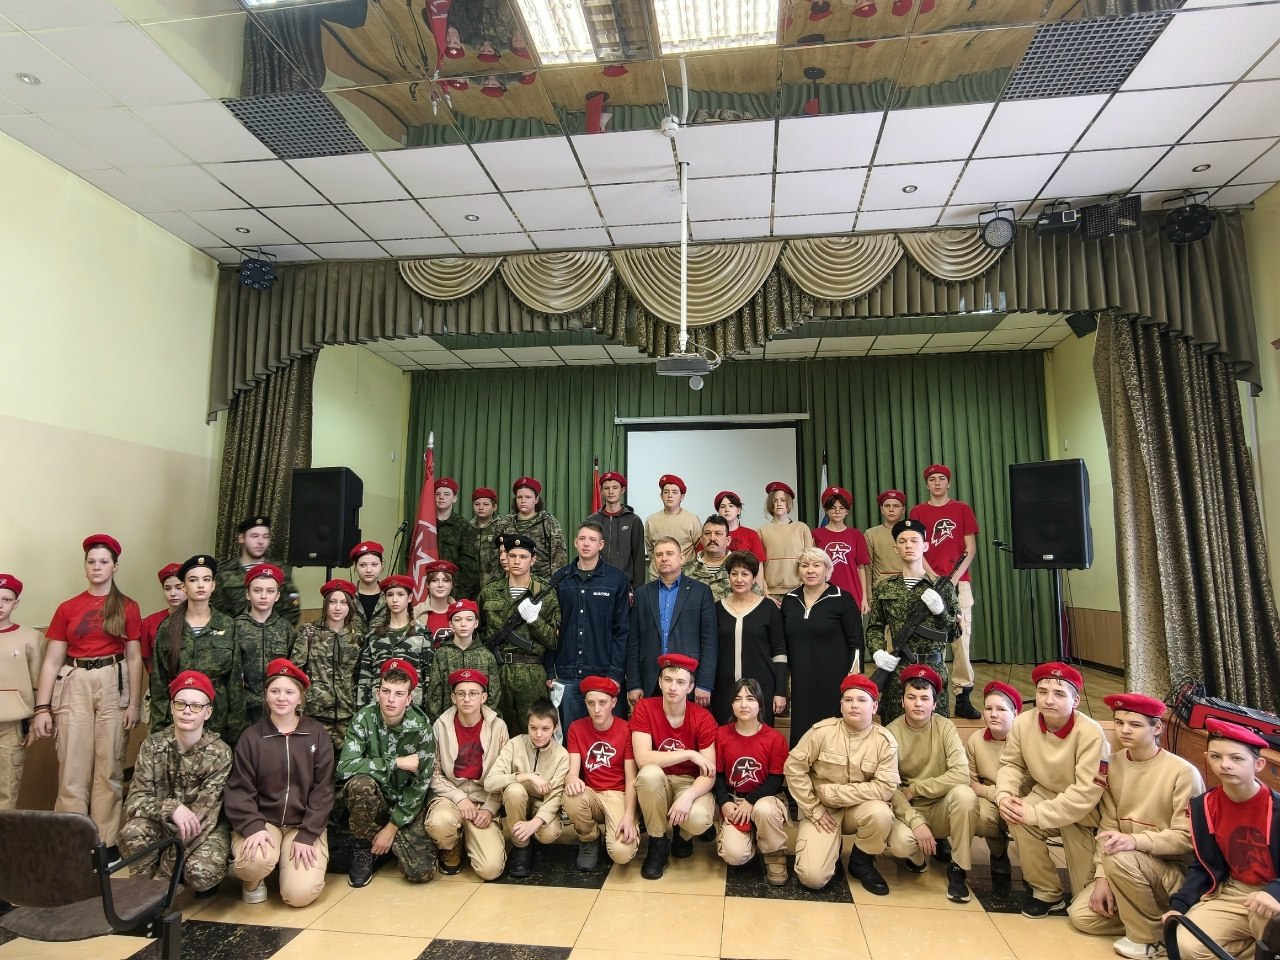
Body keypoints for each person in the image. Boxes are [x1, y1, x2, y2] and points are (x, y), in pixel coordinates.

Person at [1068, 693, 1204, 959]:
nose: (1125, 730)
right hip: (1124, 865)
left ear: (1157, 727)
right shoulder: (1111, 764)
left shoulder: (1182, 772)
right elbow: (1108, 825)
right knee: (1082, 916)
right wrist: (1102, 877)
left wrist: (1135, 842)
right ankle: (1163, 921)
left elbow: (1187, 838)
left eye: (1135, 724)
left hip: (1170, 870)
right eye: (1119, 723)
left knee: (1120, 857)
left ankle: (1151, 939)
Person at [30, 534, 143, 848]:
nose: (97, 567)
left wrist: (134, 704)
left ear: (115, 566)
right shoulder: (68, 607)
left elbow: (134, 657)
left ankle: (105, 844)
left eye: (104, 561)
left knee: (109, 767)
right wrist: (42, 708)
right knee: (72, 766)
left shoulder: (127, 606)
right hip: (75, 680)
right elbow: (52, 661)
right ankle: (71, 841)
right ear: (85, 567)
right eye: (91, 561)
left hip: (113, 680)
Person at [784, 673, 919, 893]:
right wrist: (813, 808)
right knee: (813, 878)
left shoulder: (884, 741)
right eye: (848, 700)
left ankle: (861, 861)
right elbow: (793, 767)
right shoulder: (822, 732)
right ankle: (831, 849)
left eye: (861, 700)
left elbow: (885, 788)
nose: (854, 705)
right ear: (841, 705)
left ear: (874, 707)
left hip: (860, 809)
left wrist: (835, 793)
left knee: (880, 812)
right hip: (822, 811)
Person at [995, 661, 1109, 918]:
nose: (1048, 700)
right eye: (1042, 692)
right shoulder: (1023, 723)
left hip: (1083, 811)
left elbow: (1086, 793)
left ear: (1075, 701)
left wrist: (1036, 813)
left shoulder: (1091, 733)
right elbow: (1011, 764)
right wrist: (1004, 796)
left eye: (1059, 694)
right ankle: (1046, 891)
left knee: (1085, 903)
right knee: (1017, 817)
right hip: (1046, 792)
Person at [1164, 718, 1280, 960]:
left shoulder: (1276, 807)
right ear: (1207, 758)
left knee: (1268, 927)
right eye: (1216, 757)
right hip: (1236, 890)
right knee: (1185, 943)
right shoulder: (1204, 806)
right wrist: (1180, 906)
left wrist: (1274, 892)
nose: (1225, 765)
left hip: (1274, 892)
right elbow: (1202, 865)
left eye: (1236, 758)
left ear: (1258, 764)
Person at [225, 659, 334, 906]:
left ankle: (289, 868)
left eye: (289, 692)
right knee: (255, 861)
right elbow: (239, 790)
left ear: (300, 698)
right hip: (264, 822)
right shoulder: (251, 738)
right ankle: (252, 880)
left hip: (302, 824)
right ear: (266, 695)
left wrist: (308, 834)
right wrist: (252, 826)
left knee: (299, 895)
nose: (281, 698)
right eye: (275, 691)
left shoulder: (317, 734)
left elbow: (324, 790)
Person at [119, 669, 232, 897]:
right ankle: (141, 889)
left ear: (208, 712)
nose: (187, 711)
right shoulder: (152, 745)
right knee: (133, 832)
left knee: (201, 872)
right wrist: (171, 808)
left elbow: (199, 822)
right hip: (162, 822)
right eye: (180, 704)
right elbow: (134, 803)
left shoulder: (220, 754)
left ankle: (161, 888)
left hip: (203, 830)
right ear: (171, 708)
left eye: (196, 706)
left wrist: (163, 881)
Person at [338, 658, 437, 888]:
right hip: (376, 800)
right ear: (377, 693)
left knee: (421, 873)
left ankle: (387, 841)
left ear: (409, 699)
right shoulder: (364, 718)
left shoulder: (421, 728)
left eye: (399, 694)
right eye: (386, 691)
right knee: (360, 785)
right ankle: (365, 847)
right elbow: (344, 767)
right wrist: (395, 762)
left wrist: (392, 828)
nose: (391, 699)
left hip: (405, 804)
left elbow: (420, 785)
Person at [886, 664, 980, 904]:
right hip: (910, 809)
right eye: (911, 698)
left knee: (965, 796)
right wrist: (915, 821)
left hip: (940, 804)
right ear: (902, 701)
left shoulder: (945, 727)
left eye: (925, 698)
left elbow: (961, 774)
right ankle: (917, 856)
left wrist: (916, 788)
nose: (918, 704)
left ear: (935, 704)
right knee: (902, 844)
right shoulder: (890, 734)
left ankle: (958, 868)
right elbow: (889, 788)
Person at [631, 653, 718, 880]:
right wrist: (689, 753)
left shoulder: (703, 717)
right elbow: (643, 759)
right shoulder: (644, 708)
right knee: (648, 774)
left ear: (690, 687)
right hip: (658, 781)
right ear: (659, 682)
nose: (672, 687)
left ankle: (684, 834)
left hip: (689, 783)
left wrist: (688, 796)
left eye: (680, 682)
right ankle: (658, 843)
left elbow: (709, 773)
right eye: (668, 680)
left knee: (699, 819)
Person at [865, 518, 959, 726]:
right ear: (895, 548)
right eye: (902, 541)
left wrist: (941, 611)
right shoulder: (885, 587)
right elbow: (874, 627)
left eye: (914, 540)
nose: (908, 545)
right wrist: (877, 652)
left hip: (933, 670)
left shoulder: (943, 587)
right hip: (897, 669)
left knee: (936, 730)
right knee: (893, 728)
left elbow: (955, 633)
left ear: (925, 546)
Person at [151, 555, 246, 744]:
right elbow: (158, 681)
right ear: (184, 587)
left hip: (217, 711)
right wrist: (160, 725)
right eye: (193, 580)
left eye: (206, 579)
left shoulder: (227, 624)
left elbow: (235, 678)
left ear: (213, 585)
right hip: (181, 710)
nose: (201, 585)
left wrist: (235, 724)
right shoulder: (168, 627)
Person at [910, 464, 980, 719]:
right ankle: (931, 695)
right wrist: (933, 577)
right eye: (932, 479)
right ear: (927, 484)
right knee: (930, 639)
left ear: (948, 483)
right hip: (929, 582)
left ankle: (963, 695)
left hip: (959, 583)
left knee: (961, 640)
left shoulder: (962, 509)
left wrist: (953, 578)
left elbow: (970, 548)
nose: (937, 483)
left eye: (941, 479)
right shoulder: (918, 511)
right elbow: (917, 546)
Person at [426, 668, 510, 880]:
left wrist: (490, 808)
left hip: (483, 798)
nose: (467, 699)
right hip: (450, 797)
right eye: (461, 693)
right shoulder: (440, 725)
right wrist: (459, 798)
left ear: (484, 697)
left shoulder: (498, 727)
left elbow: (504, 774)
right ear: (453, 698)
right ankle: (451, 844)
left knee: (490, 869)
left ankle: (472, 834)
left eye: (473, 693)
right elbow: (433, 772)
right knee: (440, 822)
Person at [551, 521, 630, 732]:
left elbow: (622, 630)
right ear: (575, 542)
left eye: (592, 540)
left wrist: (615, 673)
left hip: (603, 673)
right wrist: (550, 671)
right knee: (570, 736)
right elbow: (550, 629)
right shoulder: (560, 579)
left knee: (606, 737)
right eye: (582, 539)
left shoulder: (617, 580)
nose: (586, 544)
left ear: (601, 545)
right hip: (566, 674)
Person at [478, 534, 561, 731]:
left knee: (534, 730)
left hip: (531, 672)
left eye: (523, 557)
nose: (517, 561)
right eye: (512, 555)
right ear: (505, 557)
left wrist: (534, 620)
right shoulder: (490, 592)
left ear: (533, 560)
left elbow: (554, 641)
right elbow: (479, 632)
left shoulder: (546, 593)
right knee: (495, 729)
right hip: (497, 671)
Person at [782, 546, 861, 747]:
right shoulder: (790, 600)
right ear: (798, 570)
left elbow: (856, 642)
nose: (810, 570)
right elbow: (783, 644)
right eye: (804, 565)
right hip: (801, 680)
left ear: (827, 569)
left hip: (834, 681)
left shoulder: (842, 598)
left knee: (832, 734)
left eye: (816, 565)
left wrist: (853, 676)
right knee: (803, 734)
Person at [715, 678, 790, 885]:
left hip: (766, 799)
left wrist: (751, 801)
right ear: (732, 704)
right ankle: (751, 838)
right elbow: (718, 775)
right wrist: (724, 802)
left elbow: (776, 779)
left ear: (760, 704)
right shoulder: (721, 734)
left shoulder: (775, 738)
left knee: (763, 810)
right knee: (735, 856)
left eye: (750, 698)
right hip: (735, 801)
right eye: (737, 699)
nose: (744, 704)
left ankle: (774, 854)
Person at [626, 537, 717, 708]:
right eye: (659, 555)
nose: (664, 558)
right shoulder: (642, 594)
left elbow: (709, 642)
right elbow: (633, 643)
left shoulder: (701, 592)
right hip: (651, 680)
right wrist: (633, 684)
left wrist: (704, 683)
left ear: (681, 558)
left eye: (669, 553)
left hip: (688, 680)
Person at [484, 699, 569, 877]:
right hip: (516, 802)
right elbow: (490, 782)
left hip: (541, 806)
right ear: (527, 725)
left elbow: (556, 796)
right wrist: (526, 776)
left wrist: (534, 823)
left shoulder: (562, 755)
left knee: (548, 833)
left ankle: (533, 838)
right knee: (514, 790)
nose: (538, 734)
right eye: (533, 728)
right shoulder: (515, 744)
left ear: (555, 728)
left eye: (545, 729)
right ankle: (521, 846)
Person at [563, 676, 639, 872]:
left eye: (602, 703)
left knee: (621, 854)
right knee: (571, 796)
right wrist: (572, 779)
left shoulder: (627, 729)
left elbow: (632, 779)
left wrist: (629, 816)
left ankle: (618, 831)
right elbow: (572, 771)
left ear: (613, 702)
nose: (596, 709)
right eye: (591, 703)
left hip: (619, 795)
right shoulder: (576, 728)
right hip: (592, 794)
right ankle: (589, 839)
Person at [712, 552, 786, 727]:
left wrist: (780, 691)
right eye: (734, 574)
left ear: (754, 578)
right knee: (725, 737)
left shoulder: (768, 608)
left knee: (759, 737)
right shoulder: (717, 609)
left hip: (761, 689)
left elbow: (780, 652)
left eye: (745, 574)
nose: (739, 579)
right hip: (724, 690)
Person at [291, 579, 361, 752]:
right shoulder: (309, 632)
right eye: (332, 602)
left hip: (347, 713)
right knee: (314, 760)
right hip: (316, 713)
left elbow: (360, 675)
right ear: (325, 604)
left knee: (346, 762)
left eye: (343, 602)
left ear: (350, 606)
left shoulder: (357, 637)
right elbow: (295, 672)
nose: (338, 608)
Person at [965, 679, 1021, 883]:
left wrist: (1009, 799)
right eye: (988, 709)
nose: (993, 714)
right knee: (981, 817)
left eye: (1001, 709)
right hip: (989, 796)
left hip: (1020, 798)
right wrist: (995, 795)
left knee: (1020, 817)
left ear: (1015, 713)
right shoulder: (976, 740)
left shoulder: (1025, 740)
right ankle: (998, 853)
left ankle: (1033, 866)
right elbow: (971, 782)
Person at [356, 574, 431, 710]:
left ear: (409, 598)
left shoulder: (422, 633)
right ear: (385, 598)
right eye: (390, 595)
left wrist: (426, 709)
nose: (395, 599)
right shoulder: (374, 635)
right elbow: (365, 676)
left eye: (400, 594)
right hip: (378, 705)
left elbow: (428, 675)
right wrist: (362, 708)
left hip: (412, 705)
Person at [212, 515, 300, 625]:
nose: (261, 541)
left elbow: (292, 609)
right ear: (241, 538)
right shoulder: (224, 571)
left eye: (265, 537)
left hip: (274, 632)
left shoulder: (281, 569)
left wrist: (278, 632)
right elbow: (216, 610)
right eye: (254, 536)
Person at [235, 563, 295, 724]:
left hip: (278, 705)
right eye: (257, 590)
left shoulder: (285, 628)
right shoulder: (236, 626)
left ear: (277, 595)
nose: (263, 596)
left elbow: (292, 668)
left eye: (270, 591)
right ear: (248, 594)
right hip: (244, 708)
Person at [0, 573, 41, 810]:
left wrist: (35, 719)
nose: (0, 605)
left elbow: (38, 684)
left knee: (7, 788)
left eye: (6, 599)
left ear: (16, 603)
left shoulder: (31, 638)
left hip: (12, 725)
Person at [425, 599, 502, 721]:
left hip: (479, 722)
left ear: (476, 623)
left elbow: (494, 694)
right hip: (448, 721)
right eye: (457, 619)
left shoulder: (486, 656)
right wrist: (437, 722)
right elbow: (434, 693)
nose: (463, 624)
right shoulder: (441, 654)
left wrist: (484, 720)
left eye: (469, 619)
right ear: (450, 624)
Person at [485, 477, 568, 582]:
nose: (523, 501)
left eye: (528, 497)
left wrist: (552, 584)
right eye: (519, 497)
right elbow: (494, 555)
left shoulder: (548, 522)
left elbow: (559, 556)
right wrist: (499, 582)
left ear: (536, 499)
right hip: (509, 583)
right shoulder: (504, 523)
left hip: (541, 583)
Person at [811, 485, 871, 615]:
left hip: (853, 594)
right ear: (826, 510)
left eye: (842, 508)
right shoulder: (815, 534)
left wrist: (864, 598)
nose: (837, 511)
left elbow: (861, 568)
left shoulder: (856, 535)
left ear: (847, 511)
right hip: (824, 594)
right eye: (833, 508)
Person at [585, 471, 645, 589]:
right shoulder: (592, 520)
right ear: (601, 491)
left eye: (615, 488)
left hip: (624, 585)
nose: (611, 491)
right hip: (596, 583)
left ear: (622, 490)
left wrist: (638, 590)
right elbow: (586, 553)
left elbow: (639, 558)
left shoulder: (633, 520)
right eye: (606, 488)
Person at [683, 515, 758, 602]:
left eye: (718, 534)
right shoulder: (685, 570)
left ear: (728, 540)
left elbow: (756, 599)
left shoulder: (742, 569)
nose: (712, 538)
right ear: (702, 540)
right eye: (707, 533)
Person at [758, 481, 814, 598]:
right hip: (771, 593)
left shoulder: (801, 528)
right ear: (770, 503)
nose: (779, 504)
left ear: (788, 502)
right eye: (775, 500)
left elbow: (810, 560)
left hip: (799, 591)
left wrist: (805, 586)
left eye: (783, 500)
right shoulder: (761, 531)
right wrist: (764, 590)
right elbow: (758, 565)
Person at [644, 474, 703, 574]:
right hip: (658, 575)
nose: (670, 496)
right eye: (666, 492)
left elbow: (699, 548)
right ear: (661, 496)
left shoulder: (692, 519)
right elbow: (650, 550)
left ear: (682, 497)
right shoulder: (652, 520)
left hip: (686, 574)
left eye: (674, 492)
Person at [434, 477, 481, 599]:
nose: (441, 497)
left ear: (454, 498)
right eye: (437, 494)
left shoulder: (462, 525)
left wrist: (461, 597)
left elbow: (470, 567)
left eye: (446, 494)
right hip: (426, 588)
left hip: (454, 591)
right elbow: (411, 556)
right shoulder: (424, 524)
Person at [141, 563, 183, 670]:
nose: (173, 593)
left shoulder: (197, 620)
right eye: (167, 589)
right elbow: (147, 660)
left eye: (178, 588)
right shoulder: (150, 622)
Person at [864, 489, 907, 585]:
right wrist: (869, 593)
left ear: (903, 510)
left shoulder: (911, 533)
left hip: (908, 585)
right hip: (882, 588)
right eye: (887, 506)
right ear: (881, 509)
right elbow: (868, 568)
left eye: (896, 506)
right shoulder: (871, 534)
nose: (891, 509)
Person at [715, 490, 767, 565]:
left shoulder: (751, 534)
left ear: (738, 510)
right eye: (722, 507)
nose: (727, 510)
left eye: (731, 506)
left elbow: (759, 565)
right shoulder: (711, 534)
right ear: (718, 512)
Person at [413, 559, 458, 645]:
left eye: (445, 580)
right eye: (434, 580)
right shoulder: (415, 613)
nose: (440, 585)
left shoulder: (461, 612)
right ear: (427, 584)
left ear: (451, 585)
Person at [348, 541, 389, 636]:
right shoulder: (347, 596)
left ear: (382, 566)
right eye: (363, 565)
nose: (369, 570)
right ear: (355, 567)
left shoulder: (390, 596)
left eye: (374, 564)